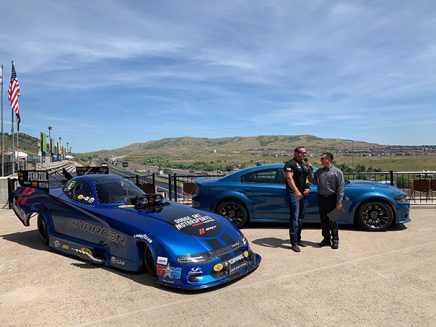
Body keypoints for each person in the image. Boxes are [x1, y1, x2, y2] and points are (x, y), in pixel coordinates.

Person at [309, 152, 345, 249]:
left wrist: (339, 202)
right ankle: (326, 239)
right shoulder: (319, 171)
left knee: (333, 220)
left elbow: (341, 188)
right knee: (323, 220)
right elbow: (312, 181)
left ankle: (335, 240)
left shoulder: (338, 172)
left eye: (322, 158)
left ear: (328, 160)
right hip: (321, 198)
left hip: (332, 198)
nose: (321, 160)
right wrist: (310, 170)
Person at [284, 147, 311, 252]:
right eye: (302, 153)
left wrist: (308, 187)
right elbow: (289, 178)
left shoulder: (303, 164)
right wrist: (296, 191)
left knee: (300, 217)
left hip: (303, 194)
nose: (304, 154)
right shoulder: (290, 164)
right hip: (294, 194)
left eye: (305, 153)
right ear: (295, 153)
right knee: (294, 218)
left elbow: (306, 178)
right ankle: (294, 243)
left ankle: (298, 239)